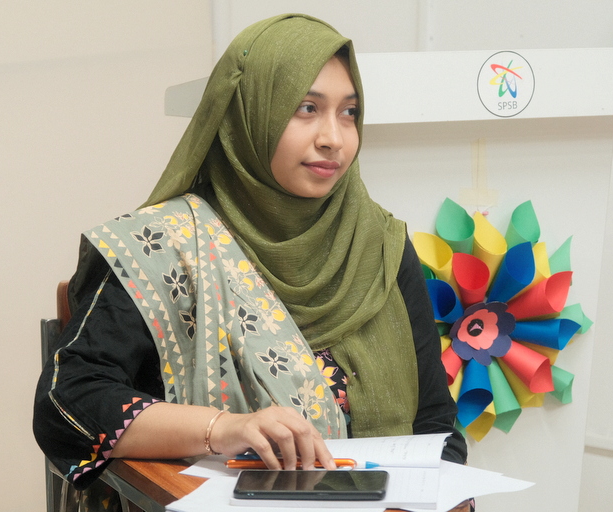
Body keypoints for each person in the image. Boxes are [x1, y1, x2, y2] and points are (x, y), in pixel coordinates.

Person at [34, 12, 468, 505]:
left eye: (349, 112)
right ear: (249, 114)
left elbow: (436, 425)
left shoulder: (379, 246)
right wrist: (224, 428)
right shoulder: (165, 249)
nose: (334, 137)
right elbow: (68, 400)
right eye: (306, 108)